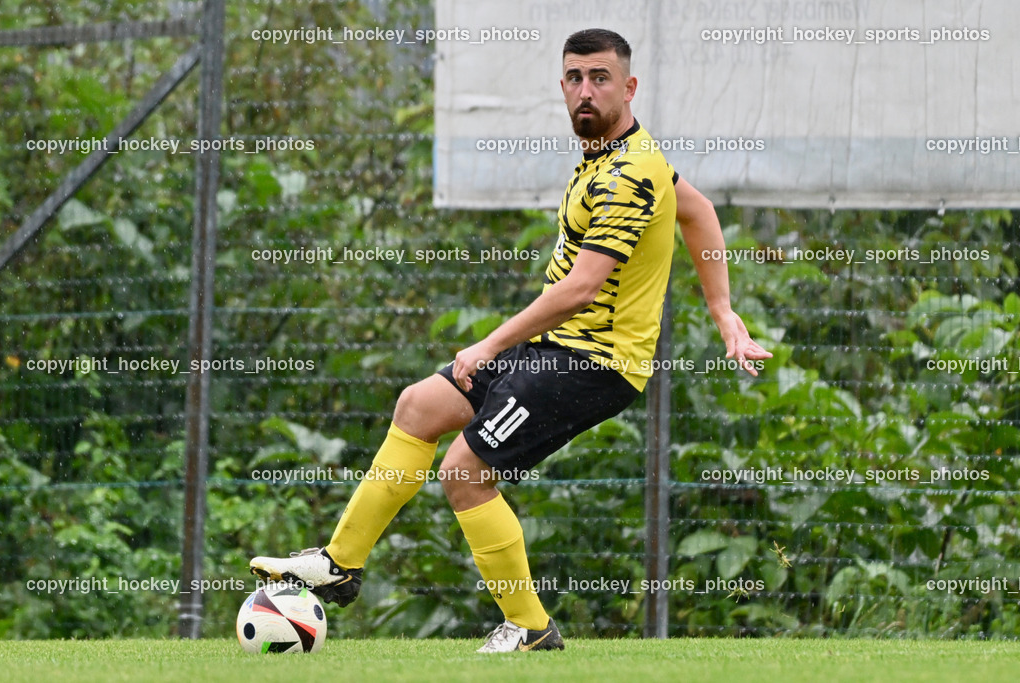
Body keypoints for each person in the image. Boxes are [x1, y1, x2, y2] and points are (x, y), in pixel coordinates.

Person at [250, 28, 771, 653]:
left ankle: (528, 627)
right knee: (419, 406)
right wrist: (723, 310)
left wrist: (489, 345)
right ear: (561, 86)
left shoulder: (631, 175)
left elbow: (580, 289)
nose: (586, 91)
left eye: (601, 78)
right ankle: (340, 564)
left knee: (465, 469)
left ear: (629, 87)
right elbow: (699, 210)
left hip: (594, 362)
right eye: (575, 78)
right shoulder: (613, 157)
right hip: (559, 348)